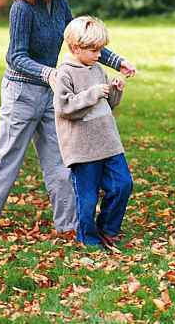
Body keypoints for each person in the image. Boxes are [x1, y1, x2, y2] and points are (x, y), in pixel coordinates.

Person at [0, 0, 137, 237]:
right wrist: (48, 73)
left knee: (62, 162)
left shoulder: (58, 1)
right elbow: (15, 57)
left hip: (51, 93)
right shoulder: (22, 8)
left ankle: (69, 225)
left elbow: (80, 39)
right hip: (21, 94)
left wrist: (117, 61)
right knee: (8, 161)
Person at [53, 16, 132, 248]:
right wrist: (93, 93)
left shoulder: (96, 69)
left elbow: (108, 104)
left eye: (100, 49)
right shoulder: (65, 73)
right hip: (82, 148)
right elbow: (65, 108)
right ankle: (87, 238)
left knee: (122, 185)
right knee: (87, 198)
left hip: (108, 142)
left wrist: (116, 91)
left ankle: (108, 228)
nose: (99, 55)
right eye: (94, 50)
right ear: (76, 48)